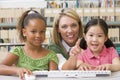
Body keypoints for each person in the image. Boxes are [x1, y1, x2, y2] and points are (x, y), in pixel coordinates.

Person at [0, 10, 59, 79]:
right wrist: (16, 70)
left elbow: (53, 77)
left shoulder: (51, 55)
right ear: (24, 32)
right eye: (33, 31)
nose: (38, 35)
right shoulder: (18, 52)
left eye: (42, 31)